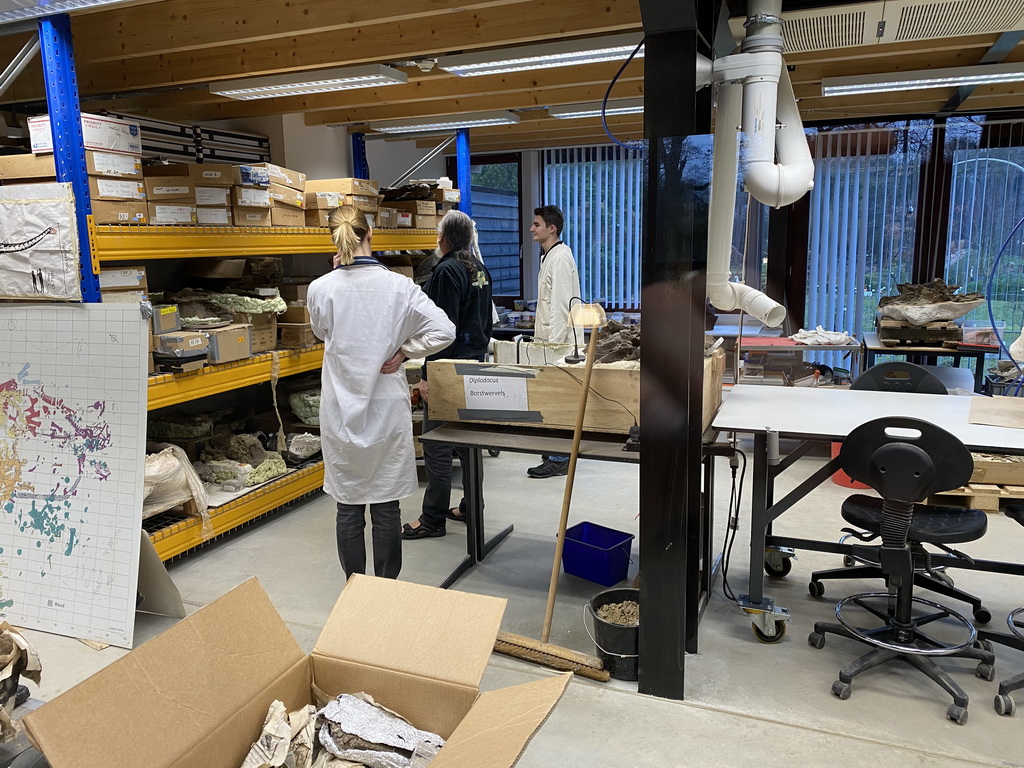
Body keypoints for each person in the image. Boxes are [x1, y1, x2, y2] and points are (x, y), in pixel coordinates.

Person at [307, 204, 455, 579]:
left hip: (341, 408)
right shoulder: (399, 287)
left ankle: (353, 590)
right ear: (370, 234)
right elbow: (444, 330)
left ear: (334, 240)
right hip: (386, 408)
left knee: (348, 506)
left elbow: (321, 333)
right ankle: (385, 593)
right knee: (386, 506)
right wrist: (406, 350)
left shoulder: (321, 289)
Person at [402, 210, 493, 539]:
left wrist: (429, 375)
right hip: (475, 367)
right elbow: (485, 325)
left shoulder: (446, 271)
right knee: (470, 444)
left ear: (442, 238)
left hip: (448, 370)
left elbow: (442, 330)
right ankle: (471, 507)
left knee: (437, 446)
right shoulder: (479, 270)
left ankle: (432, 519)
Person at [528, 204, 581, 479]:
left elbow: (561, 305)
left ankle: (559, 458)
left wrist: (555, 348)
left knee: (558, 397)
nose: (531, 229)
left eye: (536, 224)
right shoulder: (548, 255)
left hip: (558, 343)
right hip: (548, 340)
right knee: (549, 398)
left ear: (552, 229)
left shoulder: (560, 258)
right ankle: (553, 453)